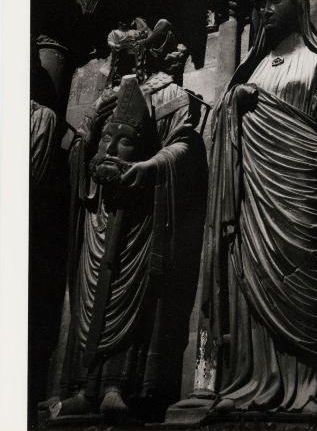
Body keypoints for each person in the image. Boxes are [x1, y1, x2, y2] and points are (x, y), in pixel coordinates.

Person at [190, 0, 317, 419]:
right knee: (249, 276)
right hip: (252, 192)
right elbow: (220, 122)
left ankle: (307, 387)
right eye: (261, 2)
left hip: (297, 186)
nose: (265, 9)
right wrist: (233, 104)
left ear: (298, 3)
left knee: (299, 272)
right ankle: (248, 381)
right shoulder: (253, 67)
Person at [46, 40, 207, 421]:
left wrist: (149, 167)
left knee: (131, 293)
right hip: (100, 215)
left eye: (137, 52)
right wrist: (93, 142)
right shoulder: (109, 96)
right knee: (89, 295)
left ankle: (120, 385)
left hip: (139, 216)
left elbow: (184, 144)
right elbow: (82, 148)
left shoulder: (172, 95)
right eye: (123, 53)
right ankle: (83, 387)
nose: (129, 59)